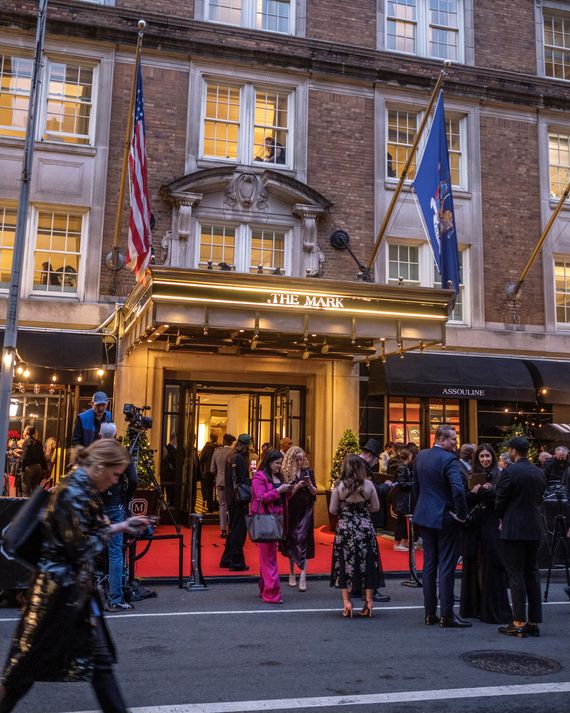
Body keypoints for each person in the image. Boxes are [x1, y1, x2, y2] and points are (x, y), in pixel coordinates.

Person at [0, 439, 151, 713]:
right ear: (101, 467)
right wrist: (112, 531)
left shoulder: (80, 487)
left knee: (97, 665)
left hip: (71, 593)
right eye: (115, 475)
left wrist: (121, 526)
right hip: (58, 595)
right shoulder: (74, 491)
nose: (115, 482)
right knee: (23, 670)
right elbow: (80, 547)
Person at [413, 424, 469, 628]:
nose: (456, 443)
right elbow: (458, 489)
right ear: (442, 439)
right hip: (445, 516)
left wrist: (419, 509)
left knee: (429, 565)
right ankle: (446, 614)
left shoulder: (421, 456)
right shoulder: (449, 459)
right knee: (446, 565)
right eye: (453, 439)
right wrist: (461, 515)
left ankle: (429, 613)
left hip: (425, 515)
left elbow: (416, 486)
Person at [495, 436, 546, 637]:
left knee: (515, 574)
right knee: (532, 572)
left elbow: (500, 500)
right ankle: (533, 621)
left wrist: (500, 517)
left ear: (514, 451)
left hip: (514, 527)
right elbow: (540, 496)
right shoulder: (538, 472)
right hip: (534, 526)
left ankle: (518, 621)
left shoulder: (509, 472)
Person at [460, 444, 512, 624]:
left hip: (491, 525)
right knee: (476, 563)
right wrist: (476, 492)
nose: (484, 459)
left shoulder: (500, 474)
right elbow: (465, 499)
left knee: (493, 563)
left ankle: (490, 607)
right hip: (475, 525)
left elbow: (501, 498)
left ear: (493, 457)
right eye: (481, 456)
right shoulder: (471, 475)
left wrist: (482, 491)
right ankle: (477, 605)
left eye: (487, 456)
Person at [329, 454, 382, 618]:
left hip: (346, 528)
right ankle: (369, 601)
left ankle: (347, 602)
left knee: (345, 563)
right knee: (367, 563)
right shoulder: (368, 485)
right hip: (365, 527)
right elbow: (376, 507)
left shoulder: (339, 486)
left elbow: (332, 510)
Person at [99, 422, 139, 612]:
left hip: (95, 504)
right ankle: (115, 597)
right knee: (116, 551)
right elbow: (133, 480)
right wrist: (125, 497)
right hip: (115, 503)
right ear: (115, 436)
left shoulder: (94, 451)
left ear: (100, 435)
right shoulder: (122, 453)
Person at [251, 449, 293, 603]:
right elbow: (261, 497)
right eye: (277, 463)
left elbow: (280, 496)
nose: (279, 466)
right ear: (268, 462)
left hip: (278, 519)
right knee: (269, 557)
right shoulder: (259, 477)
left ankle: (265, 588)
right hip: (266, 520)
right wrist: (278, 490)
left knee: (267, 556)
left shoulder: (277, 476)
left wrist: (288, 490)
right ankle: (272, 593)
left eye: (280, 463)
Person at [358, 438, 392, 602]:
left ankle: (357, 587)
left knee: (357, 554)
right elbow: (372, 491)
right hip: (365, 516)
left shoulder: (352, 465)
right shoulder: (363, 468)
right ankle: (371, 589)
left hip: (353, 518)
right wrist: (386, 486)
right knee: (370, 555)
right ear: (370, 456)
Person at [280, 446, 317, 592]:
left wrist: (309, 485)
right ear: (291, 460)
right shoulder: (286, 474)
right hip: (292, 510)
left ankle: (303, 574)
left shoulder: (309, 472)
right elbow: (286, 495)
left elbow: (314, 492)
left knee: (305, 540)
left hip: (306, 509)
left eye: (302, 459)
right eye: (297, 460)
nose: (300, 462)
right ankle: (291, 572)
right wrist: (296, 487)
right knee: (292, 540)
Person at [220, 434, 252, 571]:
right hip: (240, 498)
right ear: (247, 445)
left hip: (231, 497)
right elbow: (242, 479)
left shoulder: (231, 456)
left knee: (233, 528)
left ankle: (226, 559)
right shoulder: (240, 458)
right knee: (239, 531)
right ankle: (236, 562)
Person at [210, 433, 236, 538]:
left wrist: (218, 474)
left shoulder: (217, 452)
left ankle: (223, 529)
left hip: (220, 481)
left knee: (222, 505)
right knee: (231, 505)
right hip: (231, 483)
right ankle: (231, 528)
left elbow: (212, 469)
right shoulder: (233, 453)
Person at [388, 447, 414, 551]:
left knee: (403, 521)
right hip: (401, 499)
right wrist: (413, 484)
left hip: (404, 499)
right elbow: (401, 484)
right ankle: (397, 543)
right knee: (401, 522)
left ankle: (403, 541)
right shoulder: (402, 468)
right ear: (408, 456)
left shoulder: (404, 467)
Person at [20, 426, 47, 497]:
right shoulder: (38, 443)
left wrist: (22, 469)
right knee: (35, 490)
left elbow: (24, 457)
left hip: (29, 467)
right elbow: (42, 457)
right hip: (38, 467)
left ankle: (26, 506)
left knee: (26, 490)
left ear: (27, 432)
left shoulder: (26, 442)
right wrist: (44, 469)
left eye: (24, 431)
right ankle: (34, 506)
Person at [199, 433, 219, 513]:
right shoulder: (219, 447)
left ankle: (210, 507)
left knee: (209, 490)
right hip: (217, 472)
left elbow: (201, 459)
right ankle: (216, 506)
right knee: (217, 490)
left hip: (209, 471)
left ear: (210, 438)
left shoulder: (207, 447)